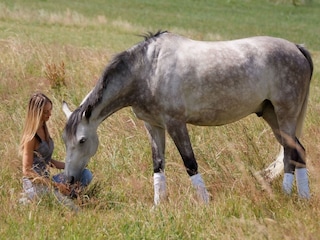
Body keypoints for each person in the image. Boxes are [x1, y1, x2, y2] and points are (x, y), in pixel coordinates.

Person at [19, 92, 92, 203]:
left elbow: (47, 161)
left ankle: (68, 195)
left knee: (85, 173)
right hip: (36, 185)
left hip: (48, 181)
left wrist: (72, 166)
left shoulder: (43, 127)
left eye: (50, 110)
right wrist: (56, 185)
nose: (50, 114)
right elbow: (27, 171)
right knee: (71, 207)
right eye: (46, 112)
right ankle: (32, 199)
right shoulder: (30, 138)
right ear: (37, 113)